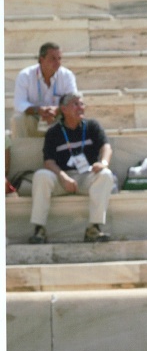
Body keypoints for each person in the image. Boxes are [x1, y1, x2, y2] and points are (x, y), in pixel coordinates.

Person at [28, 92, 114, 244]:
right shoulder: (54, 132)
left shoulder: (92, 126)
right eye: (76, 104)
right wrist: (63, 177)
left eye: (82, 104)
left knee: (106, 175)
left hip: (86, 177)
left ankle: (94, 228)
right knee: (41, 175)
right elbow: (48, 162)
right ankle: (39, 230)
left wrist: (103, 163)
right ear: (64, 109)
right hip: (62, 179)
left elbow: (106, 147)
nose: (81, 107)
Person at [12, 42, 78, 138]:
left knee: (75, 114)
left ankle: (70, 150)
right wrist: (38, 110)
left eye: (59, 58)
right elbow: (19, 103)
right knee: (18, 118)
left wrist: (57, 110)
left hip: (58, 116)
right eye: (53, 59)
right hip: (33, 117)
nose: (57, 62)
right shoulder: (25, 75)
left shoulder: (67, 75)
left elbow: (73, 100)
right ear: (41, 60)